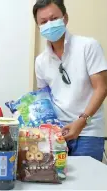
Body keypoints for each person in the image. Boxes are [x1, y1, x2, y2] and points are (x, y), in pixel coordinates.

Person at [33, 0, 107, 161]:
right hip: (56, 133)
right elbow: (44, 98)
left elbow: (102, 87)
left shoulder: (88, 46)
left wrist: (82, 121)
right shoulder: (40, 61)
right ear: (39, 28)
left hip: (88, 130)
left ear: (65, 18)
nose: (49, 24)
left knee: (86, 183)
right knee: (55, 181)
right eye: (43, 22)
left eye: (53, 18)